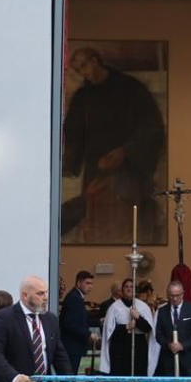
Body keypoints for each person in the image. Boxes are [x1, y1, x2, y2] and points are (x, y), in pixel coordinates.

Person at [60, 46, 166, 241]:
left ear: (94, 61)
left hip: (130, 169)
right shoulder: (83, 97)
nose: (82, 73)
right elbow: (72, 136)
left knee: (124, 217)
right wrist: (64, 163)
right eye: (77, 70)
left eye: (83, 66)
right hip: (96, 171)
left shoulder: (130, 88)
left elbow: (152, 128)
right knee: (94, 214)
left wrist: (125, 151)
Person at [58, 270, 94, 382]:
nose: (90, 287)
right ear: (79, 282)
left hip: (73, 347)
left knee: (68, 381)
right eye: (87, 283)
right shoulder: (74, 298)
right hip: (71, 347)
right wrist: (88, 334)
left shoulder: (76, 297)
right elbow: (70, 324)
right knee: (68, 381)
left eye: (91, 284)